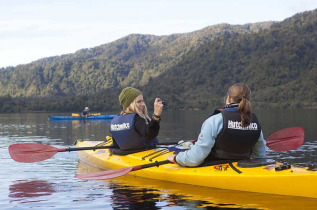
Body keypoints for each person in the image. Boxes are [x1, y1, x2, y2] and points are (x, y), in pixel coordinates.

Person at [167, 83, 266, 167]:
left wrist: (177, 158)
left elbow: (195, 159)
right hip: (242, 165)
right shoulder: (254, 122)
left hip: (213, 166)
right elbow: (259, 156)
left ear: (229, 98)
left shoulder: (214, 121)